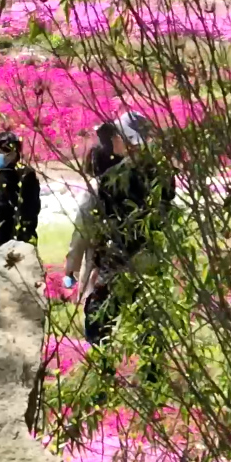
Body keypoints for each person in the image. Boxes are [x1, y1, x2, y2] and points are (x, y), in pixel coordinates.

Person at [66, 111, 175, 352]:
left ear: (127, 140)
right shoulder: (164, 174)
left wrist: (77, 263)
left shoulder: (112, 179)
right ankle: (152, 371)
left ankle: (103, 369)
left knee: (98, 322)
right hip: (153, 259)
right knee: (149, 325)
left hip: (118, 262)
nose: (114, 140)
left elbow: (88, 224)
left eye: (117, 135)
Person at [0, 130, 42, 247]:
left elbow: (29, 209)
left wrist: (23, 236)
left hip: (16, 238)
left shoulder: (25, 174)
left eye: (0, 152)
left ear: (13, 153)